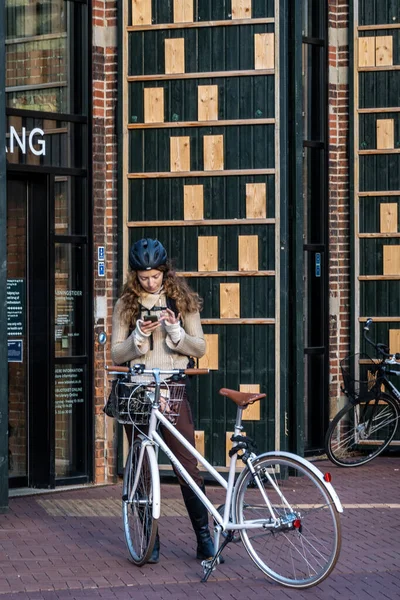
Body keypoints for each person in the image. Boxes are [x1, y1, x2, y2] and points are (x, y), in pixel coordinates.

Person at [111, 238, 218, 565]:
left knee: (186, 463)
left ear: (164, 272)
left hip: (171, 388)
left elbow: (199, 348)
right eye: (144, 277)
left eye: (155, 276)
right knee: (142, 467)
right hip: (138, 389)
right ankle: (149, 540)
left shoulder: (181, 300)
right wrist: (138, 337)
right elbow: (117, 353)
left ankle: (205, 538)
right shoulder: (125, 306)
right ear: (135, 276)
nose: (150, 282)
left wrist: (176, 333)